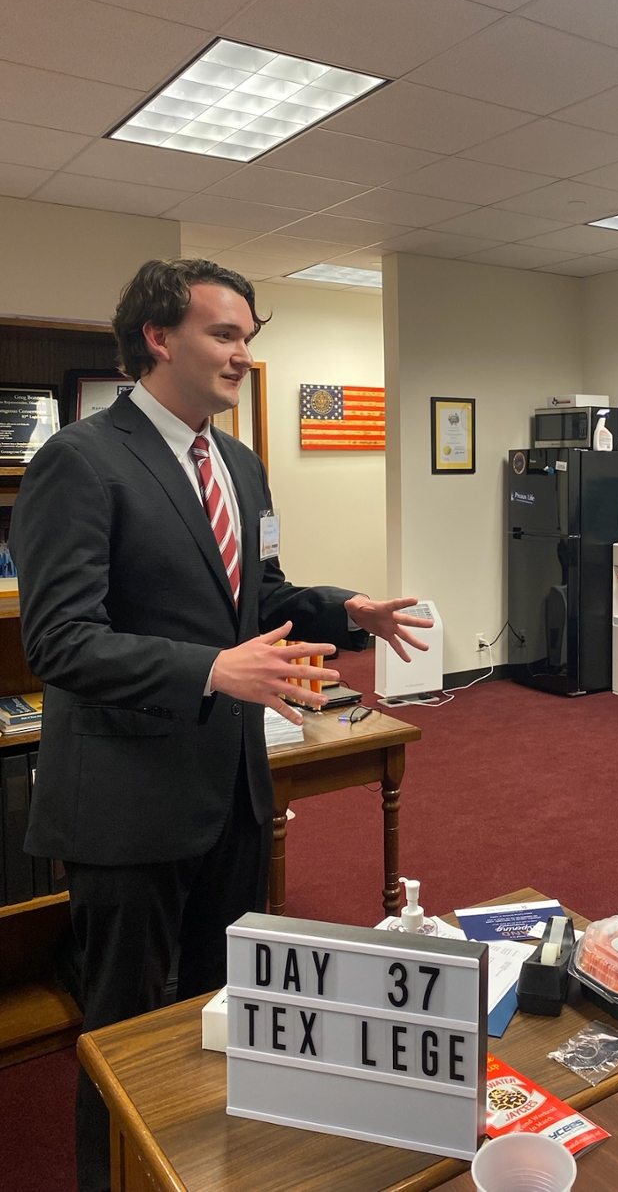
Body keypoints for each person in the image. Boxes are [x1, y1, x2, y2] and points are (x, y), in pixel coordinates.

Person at [9, 258, 432, 1192]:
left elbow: (259, 596)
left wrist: (341, 608)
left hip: (232, 788)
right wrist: (208, 668)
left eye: (250, 337)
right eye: (225, 335)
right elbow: (60, 641)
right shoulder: (77, 461)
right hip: (127, 803)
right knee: (124, 1034)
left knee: (221, 1009)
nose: (244, 355)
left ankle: (201, 1169)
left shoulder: (238, 462)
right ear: (159, 339)